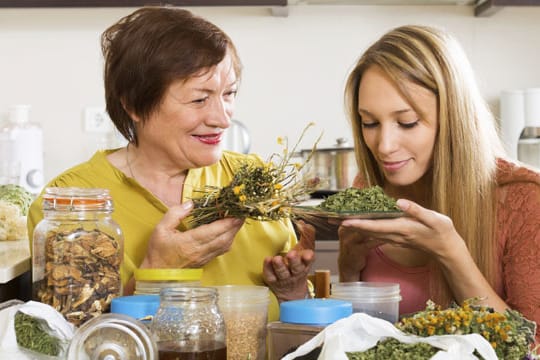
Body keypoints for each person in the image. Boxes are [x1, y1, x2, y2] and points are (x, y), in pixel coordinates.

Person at [27, 6, 314, 322]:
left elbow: (299, 329)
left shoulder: (255, 182)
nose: (222, 118)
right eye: (199, 99)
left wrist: (293, 290)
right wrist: (159, 269)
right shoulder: (69, 203)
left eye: (229, 93)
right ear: (134, 103)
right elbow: (74, 343)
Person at [338, 24, 540, 341]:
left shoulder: (524, 198)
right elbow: (355, 334)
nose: (384, 145)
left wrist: (450, 252)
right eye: (370, 123)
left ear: (452, 118)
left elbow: (531, 347)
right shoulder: (368, 187)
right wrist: (349, 269)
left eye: (407, 122)